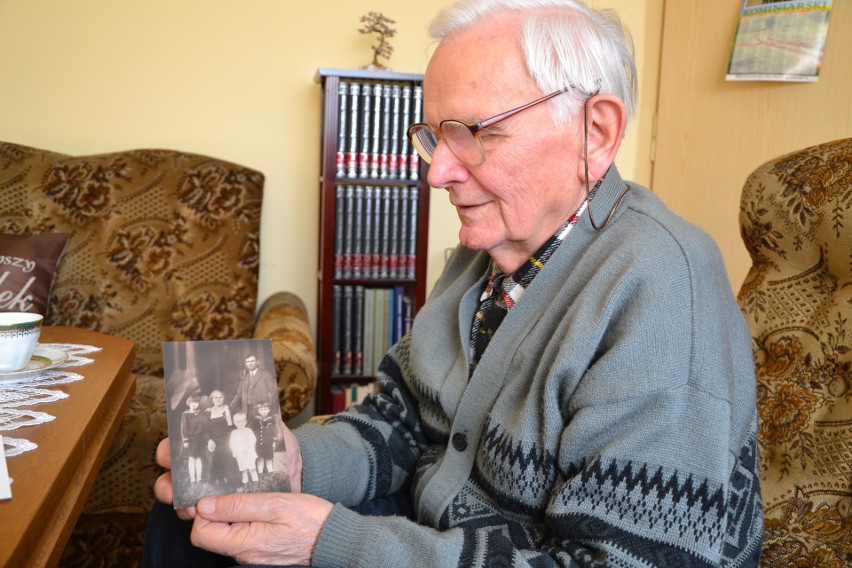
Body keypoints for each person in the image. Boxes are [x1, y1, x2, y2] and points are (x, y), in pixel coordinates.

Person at [144, 1, 764, 566]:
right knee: (201, 519)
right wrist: (297, 462)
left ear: (594, 132)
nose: (438, 172)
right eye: (436, 137)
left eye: (474, 133)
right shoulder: (482, 255)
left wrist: (328, 544)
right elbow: (398, 420)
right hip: (436, 538)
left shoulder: (661, 282)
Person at [229, 353, 278, 427]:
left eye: (252, 361)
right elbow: (238, 394)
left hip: (262, 411)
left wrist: (273, 411)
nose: (250, 363)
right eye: (248, 362)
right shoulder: (244, 378)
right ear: (246, 364)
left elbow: (274, 393)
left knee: (263, 432)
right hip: (247, 411)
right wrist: (230, 407)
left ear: (257, 362)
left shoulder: (265, 375)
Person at [205, 389, 237, 488]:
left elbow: (237, 424)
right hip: (215, 440)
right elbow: (205, 429)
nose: (218, 400)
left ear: (224, 398)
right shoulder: (208, 412)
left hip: (229, 438)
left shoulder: (230, 409)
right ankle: (220, 480)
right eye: (216, 398)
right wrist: (209, 440)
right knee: (216, 454)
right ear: (212, 400)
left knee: (229, 453)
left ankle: (232, 480)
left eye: (220, 397)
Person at [179, 393, 206, 484]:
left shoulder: (201, 414)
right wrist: (185, 440)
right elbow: (183, 428)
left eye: (196, 402)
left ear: (199, 403)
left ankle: (199, 479)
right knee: (191, 459)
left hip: (199, 439)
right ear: (189, 403)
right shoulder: (186, 414)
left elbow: (204, 424)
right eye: (192, 402)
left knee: (199, 458)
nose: (194, 404)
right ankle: (192, 479)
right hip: (190, 439)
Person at [228, 412, 259, 486]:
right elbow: (231, 443)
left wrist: (249, 448)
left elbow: (253, 440)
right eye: (238, 422)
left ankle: (255, 481)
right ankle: (245, 482)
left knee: (252, 468)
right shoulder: (234, 432)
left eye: (242, 421)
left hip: (249, 452)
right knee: (243, 469)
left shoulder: (248, 431)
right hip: (240, 454)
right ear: (234, 423)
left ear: (245, 422)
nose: (240, 424)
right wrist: (234, 451)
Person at [252, 400, 278, 477]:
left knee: (269, 458)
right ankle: (260, 474)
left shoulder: (272, 419)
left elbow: (274, 431)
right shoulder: (256, 420)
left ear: (269, 409)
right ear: (258, 411)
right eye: (261, 410)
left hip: (269, 444)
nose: (264, 411)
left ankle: (270, 473)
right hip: (259, 444)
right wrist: (254, 442)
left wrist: (274, 442)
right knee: (260, 459)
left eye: (265, 409)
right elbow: (254, 431)